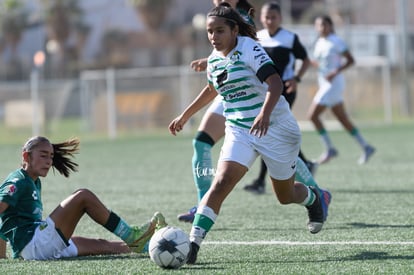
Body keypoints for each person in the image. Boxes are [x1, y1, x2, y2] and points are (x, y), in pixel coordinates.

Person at [169, 3, 326, 264]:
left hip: (276, 128)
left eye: (219, 31)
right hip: (240, 130)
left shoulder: (249, 48)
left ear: (234, 30)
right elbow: (212, 89)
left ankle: (312, 198)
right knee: (221, 182)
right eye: (210, 32)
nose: (213, 37)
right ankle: (193, 244)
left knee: (285, 197)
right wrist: (185, 115)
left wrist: (264, 114)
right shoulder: (215, 59)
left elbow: (275, 83)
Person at [0, 136, 167, 260]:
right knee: (83, 196)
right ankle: (131, 235)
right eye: (43, 155)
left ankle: (147, 246)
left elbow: (5, 221)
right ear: (26, 157)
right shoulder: (19, 181)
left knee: (103, 245)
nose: (49, 161)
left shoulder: (32, 181)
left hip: (37, 245)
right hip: (35, 245)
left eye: (51, 156)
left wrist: (5, 258)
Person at [177, 0, 255, 223]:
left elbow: (243, 52)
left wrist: (208, 59)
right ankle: (203, 204)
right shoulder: (219, 15)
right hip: (227, 90)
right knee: (201, 143)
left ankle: (317, 194)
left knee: (276, 154)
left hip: (250, 94)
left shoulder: (241, 17)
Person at [244, 1, 315, 194]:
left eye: (273, 17)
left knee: (269, 132)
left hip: (285, 90)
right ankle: (306, 164)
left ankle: (260, 181)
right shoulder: (257, 37)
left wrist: (297, 78)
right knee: (275, 133)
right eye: (266, 17)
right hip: (263, 92)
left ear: (280, 18)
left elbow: (306, 60)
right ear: (261, 18)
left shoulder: (289, 38)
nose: (270, 20)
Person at [309, 15, 376, 164]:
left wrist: (334, 72)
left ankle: (329, 149)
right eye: (319, 25)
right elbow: (319, 64)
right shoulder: (319, 42)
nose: (322, 28)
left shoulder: (336, 41)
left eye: (325, 25)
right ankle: (366, 147)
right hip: (324, 83)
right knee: (342, 118)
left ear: (330, 26)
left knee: (312, 116)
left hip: (334, 84)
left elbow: (351, 60)